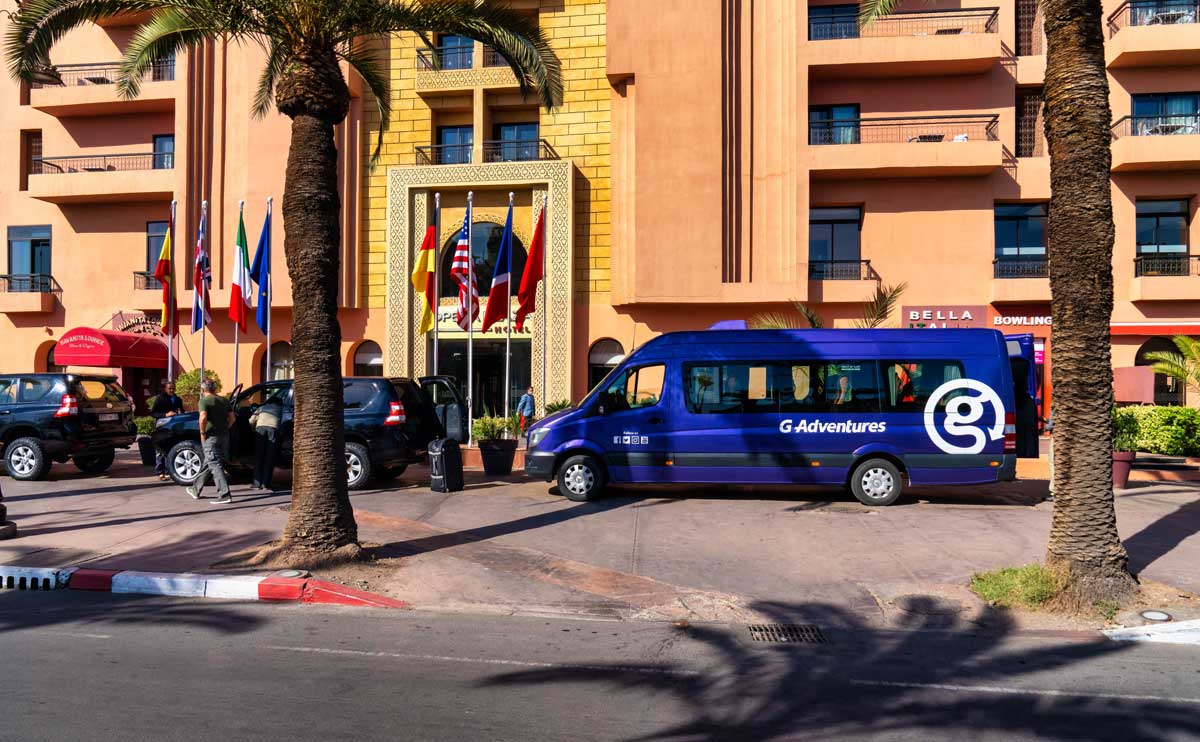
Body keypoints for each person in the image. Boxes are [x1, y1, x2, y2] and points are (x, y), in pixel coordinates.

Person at [186, 379, 235, 504]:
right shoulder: (224, 400)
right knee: (210, 461)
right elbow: (232, 418)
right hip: (224, 436)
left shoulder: (204, 401)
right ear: (214, 389)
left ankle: (224, 494)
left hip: (211, 437)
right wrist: (225, 428)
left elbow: (203, 417)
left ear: (203, 390)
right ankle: (195, 489)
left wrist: (202, 433)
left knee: (214, 464)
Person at [149, 381, 184, 481]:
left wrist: (180, 413)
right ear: (165, 389)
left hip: (174, 426)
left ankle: (170, 471)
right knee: (160, 449)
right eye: (170, 389)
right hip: (162, 425)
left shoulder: (178, 399)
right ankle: (160, 472)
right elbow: (153, 413)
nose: (172, 390)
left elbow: (182, 411)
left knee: (172, 448)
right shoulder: (160, 398)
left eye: (173, 388)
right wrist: (165, 414)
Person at [250, 392, 283, 491]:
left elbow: (251, 420)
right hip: (273, 429)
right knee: (269, 457)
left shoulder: (262, 407)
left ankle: (257, 484)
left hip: (260, 429)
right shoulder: (279, 409)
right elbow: (281, 421)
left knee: (259, 456)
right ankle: (266, 484)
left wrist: (253, 428)